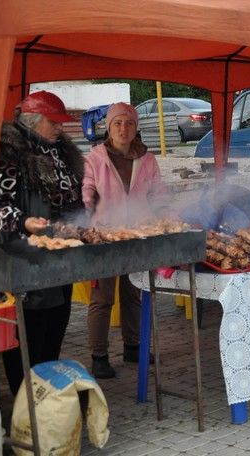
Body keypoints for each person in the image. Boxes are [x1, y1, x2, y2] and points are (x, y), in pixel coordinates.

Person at [0, 91, 85, 395]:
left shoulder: (60, 150)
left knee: (57, 320)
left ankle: (45, 393)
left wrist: (79, 220)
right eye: (53, 122)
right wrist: (24, 221)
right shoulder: (8, 151)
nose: (60, 128)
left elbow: (73, 195)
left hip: (57, 254)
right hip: (21, 257)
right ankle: (25, 398)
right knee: (30, 328)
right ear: (33, 120)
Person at [83, 102, 166, 378]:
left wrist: (167, 218)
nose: (123, 128)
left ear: (136, 128)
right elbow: (86, 194)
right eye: (117, 123)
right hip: (104, 237)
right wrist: (88, 226)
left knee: (134, 293)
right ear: (108, 126)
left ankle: (133, 346)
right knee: (102, 297)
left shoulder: (148, 159)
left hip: (137, 234)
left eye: (129, 123)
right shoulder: (95, 158)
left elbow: (159, 196)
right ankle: (99, 355)